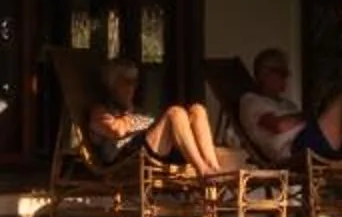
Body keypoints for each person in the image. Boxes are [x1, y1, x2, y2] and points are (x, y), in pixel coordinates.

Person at [233, 48, 342, 170]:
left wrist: (312, 116)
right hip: (295, 150)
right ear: (264, 73)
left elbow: (298, 120)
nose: (286, 78)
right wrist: (311, 116)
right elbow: (278, 126)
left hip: (315, 141)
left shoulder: (286, 104)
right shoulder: (251, 101)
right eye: (282, 73)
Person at [85, 59, 239, 175]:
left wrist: (135, 115)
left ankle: (213, 168)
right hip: (127, 160)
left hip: (156, 152)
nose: (132, 87)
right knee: (175, 113)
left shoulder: (138, 110)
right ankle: (203, 172)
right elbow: (116, 131)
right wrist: (130, 115)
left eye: (134, 82)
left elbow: (152, 126)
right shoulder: (100, 111)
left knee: (197, 110)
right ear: (112, 84)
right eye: (126, 82)